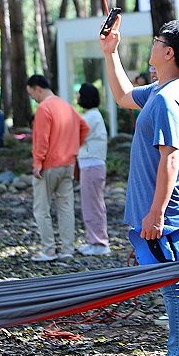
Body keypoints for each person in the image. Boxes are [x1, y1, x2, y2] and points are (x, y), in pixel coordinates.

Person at [100, 17, 179, 356]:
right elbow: (123, 96)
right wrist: (110, 53)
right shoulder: (165, 88)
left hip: (166, 216)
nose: (152, 43)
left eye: (157, 39)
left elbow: (171, 159)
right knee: (172, 285)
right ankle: (178, 354)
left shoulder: (168, 98)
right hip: (158, 213)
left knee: (176, 286)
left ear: (168, 51)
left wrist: (156, 213)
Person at [26, 75, 87, 261]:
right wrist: (73, 149)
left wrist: (37, 162)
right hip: (68, 164)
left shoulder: (44, 108)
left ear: (37, 88)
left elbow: (41, 139)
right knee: (66, 208)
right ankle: (68, 249)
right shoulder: (66, 106)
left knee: (41, 209)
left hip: (49, 165)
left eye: (32, 94)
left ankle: (49, 249)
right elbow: (84, 127)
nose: (33, 98)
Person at [75, 83, 110, 256]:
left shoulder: (91, 117)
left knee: (92, 205)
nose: (77, 97)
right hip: (90, 165)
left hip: (91, 165)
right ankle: (94, 240)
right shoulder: (91, 116)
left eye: (79, 94)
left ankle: (99, 243)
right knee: (92, 204)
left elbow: (74, 137)